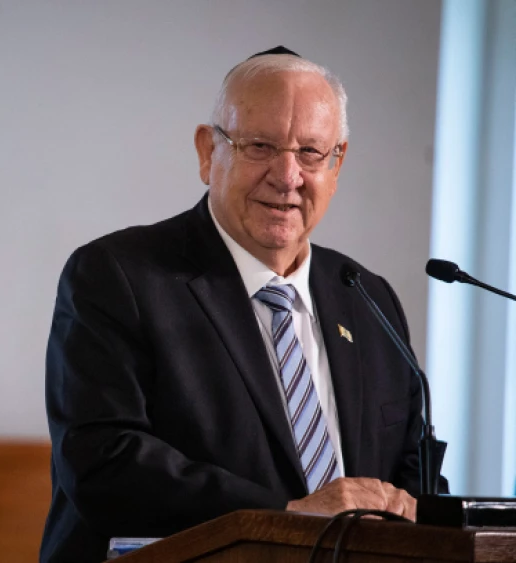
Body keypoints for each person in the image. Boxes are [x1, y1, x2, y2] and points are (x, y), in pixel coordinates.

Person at [39, 47, 446, 563]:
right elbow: (103, 463)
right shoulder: (116, 276)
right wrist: (288, 514)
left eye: (311, 153)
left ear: (337, 164)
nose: (287, 175)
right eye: (260, 145)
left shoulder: (366, 297)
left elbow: (410, 475)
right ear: (208, 152)